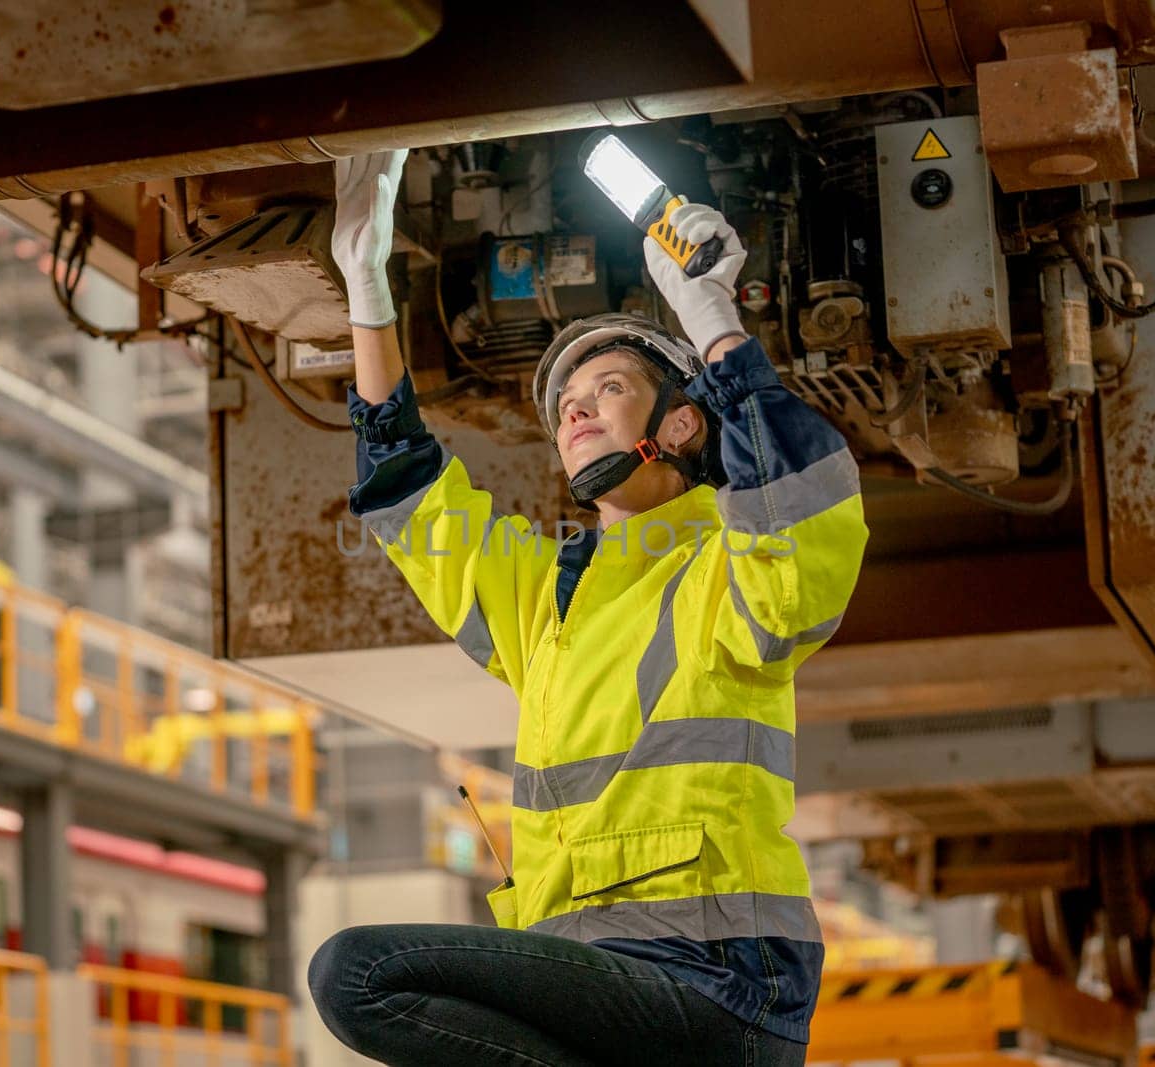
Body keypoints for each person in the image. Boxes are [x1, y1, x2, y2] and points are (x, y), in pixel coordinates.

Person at [308, 149, 868, 1066]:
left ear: (680, 425)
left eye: (608, 388)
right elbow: (410, 500)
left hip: (718, 978)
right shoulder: (547, 596)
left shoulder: (725, 564)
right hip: (594, 973)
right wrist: (366, 287)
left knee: (367, 971)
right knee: (356, 982)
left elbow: (800, 512)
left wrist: (709, 313)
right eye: (565, 401)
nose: (575, 409)